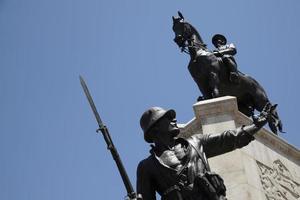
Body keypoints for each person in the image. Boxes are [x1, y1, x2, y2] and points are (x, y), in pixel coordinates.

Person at [137, 105, 273, 200]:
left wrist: (257, 125)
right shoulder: (146, 166)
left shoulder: (196, 142)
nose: (174, 119)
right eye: (167, 118)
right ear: (155, 129)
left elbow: (229, 138)